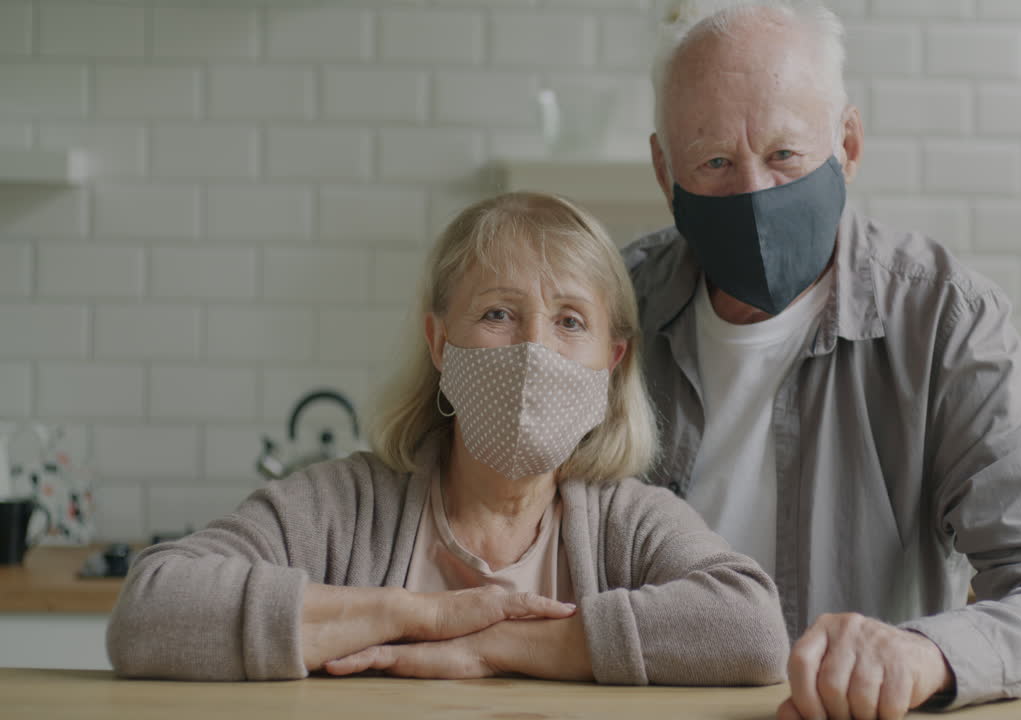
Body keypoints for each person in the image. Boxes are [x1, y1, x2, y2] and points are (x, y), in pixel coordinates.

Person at [626, 2, 1021, 717]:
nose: (756, 195)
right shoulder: (607, 312)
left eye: (784, 155)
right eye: (713, 161)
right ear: (662, 169)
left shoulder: (943, 322)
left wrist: (925, 655)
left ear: (849, 146)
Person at [106, 192, 789, 686]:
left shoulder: (628, 521)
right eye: (498, 313)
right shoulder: (345, 507)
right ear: (440, 343)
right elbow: (151, 612)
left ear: (613, 364)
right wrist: (417, 616)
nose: (533, 350)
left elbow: (753, 631)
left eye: (570, 321)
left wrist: (497, 646)